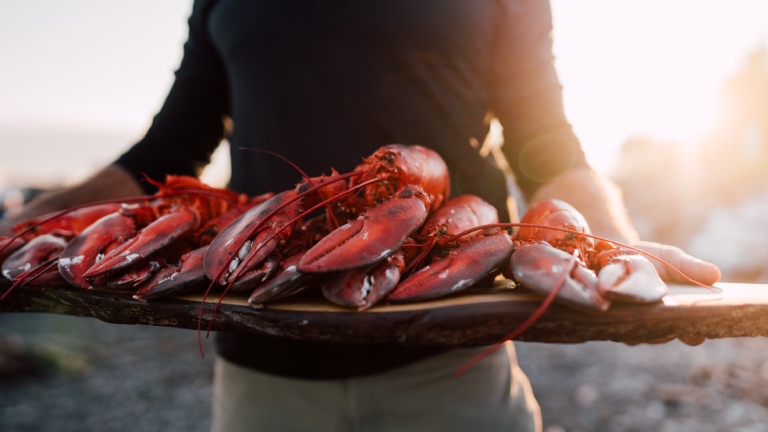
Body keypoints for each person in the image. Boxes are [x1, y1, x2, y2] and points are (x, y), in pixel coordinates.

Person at [0, 1, 721, 431]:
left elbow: (547, 145)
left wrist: (612, 245)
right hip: (262, 373)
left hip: (454, 365)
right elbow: (172, 145)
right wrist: (31, 220)